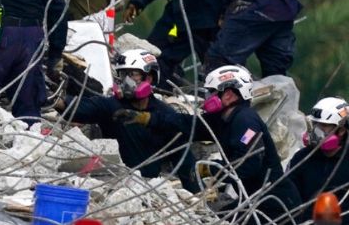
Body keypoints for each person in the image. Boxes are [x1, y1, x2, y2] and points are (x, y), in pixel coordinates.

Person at [117, 65, 301, 223]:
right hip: (253, 199)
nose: (207, 97)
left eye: (212, 92)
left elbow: (248, 165)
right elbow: (187, 124)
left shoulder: (245, 121)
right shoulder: (222, 120)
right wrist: (147, 118)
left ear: (228, 95)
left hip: (276, 203)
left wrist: (210, 169)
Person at [54, 49, 199, 192]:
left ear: (149, 78)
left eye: (132, 74)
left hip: (148, 189)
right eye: (123, 74)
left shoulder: (164, 115)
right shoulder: (110, 106)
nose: (126, 80)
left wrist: (198, 195)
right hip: (112, 185)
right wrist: (48, 97)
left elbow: (185, 162)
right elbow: (75, 107)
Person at [285, 97, 349, 224]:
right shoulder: (302, 158)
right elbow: (288, 198)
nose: (316, 130)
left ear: (341, 130)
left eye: (324, 125)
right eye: (315, 124)